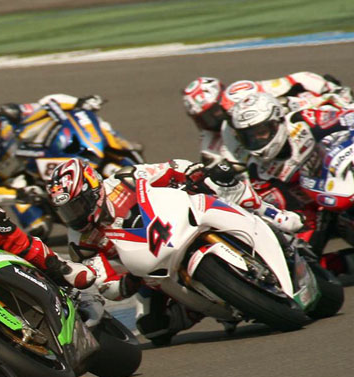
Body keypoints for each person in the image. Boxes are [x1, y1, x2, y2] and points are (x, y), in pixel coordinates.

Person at [43, 157, 263, 342]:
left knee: (218, 184)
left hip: (176, 223)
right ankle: (199, 306)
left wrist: (193, 172)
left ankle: (267, 216)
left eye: (77, 206)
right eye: (66, 212)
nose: (74, 217)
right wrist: (132, 280)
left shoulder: (126, 179)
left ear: (93, 190)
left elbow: (172, 167)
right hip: (152, 268)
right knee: (153, 327)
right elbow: (106, 285)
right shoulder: (80, 241)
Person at [0, 90, 112, 237]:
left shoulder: (10, 113)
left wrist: (78, 103)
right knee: (37, 229)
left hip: (38, 159)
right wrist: (20, 195)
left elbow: (47, 104)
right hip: (18, 186)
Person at [226, 91, 354, 269]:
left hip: (344, 182)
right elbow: (281, 208)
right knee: (302, 260)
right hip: (315, 211)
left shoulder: (302, 121)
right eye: (249, 137)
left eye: (261, 132)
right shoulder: (259, 172)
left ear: (278, 121)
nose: (257, 140)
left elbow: (347, 117)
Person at [182, 72, 352, 164]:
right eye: (205, 118)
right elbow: (224, 167)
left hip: (301, 125)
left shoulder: (250, 94)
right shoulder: (219, 137)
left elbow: (298, 81)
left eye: (215, 111)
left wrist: (329, 91)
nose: (215, 119)